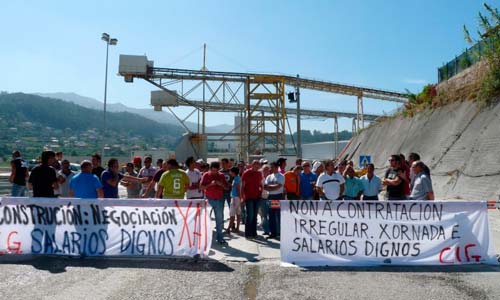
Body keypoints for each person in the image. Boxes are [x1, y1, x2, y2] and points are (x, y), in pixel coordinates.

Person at [200, 162, 228, 244]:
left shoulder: (221, 175)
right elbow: (201, 187)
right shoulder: (206, 175)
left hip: (219, 200)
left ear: (218, 169)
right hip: (208, 199)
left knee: (219, 220)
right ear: (210, 169)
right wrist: (210, 184)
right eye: (212, 170)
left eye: (216, 170)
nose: (214, 172)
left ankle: (220, 237)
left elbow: (226, 188)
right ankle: (205, 238)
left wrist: (221, 184)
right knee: (206, 219)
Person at [241, 160, 263, 238]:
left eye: (258, 165)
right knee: (250, 216)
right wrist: (242, 198)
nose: (257, 167)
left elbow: (261, 184)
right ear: (252, 165)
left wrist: (262, 192)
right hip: (249, 197)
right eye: (255, 165)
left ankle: (254, 233)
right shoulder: (246, 173)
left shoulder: (259, 173)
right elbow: (242, 186)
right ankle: (248, 233)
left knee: (255, 216)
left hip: (257, 197)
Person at [264, 162, 284, 239]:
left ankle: (279, 232)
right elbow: (265, 187)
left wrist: (270, 187)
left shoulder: (281, 176)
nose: (270, 168)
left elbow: (278, 186)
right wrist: (272, 187)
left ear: (276, 167)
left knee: (277, 215)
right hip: (270, 197)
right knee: (271, 216)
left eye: (272, 167)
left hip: (277, 196)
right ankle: (273, 233)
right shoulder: (269, 176)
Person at [226, 167, 242, 234]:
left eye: (231, 172)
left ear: (233, 172)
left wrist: (239, 197)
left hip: (235, 198)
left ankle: (228, 228)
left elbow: (238, 189)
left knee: (232, 214)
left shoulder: (236, 179)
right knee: (238, 214)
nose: (230, 173)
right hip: (236, 197)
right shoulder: (237, 178)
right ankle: (237, 228)